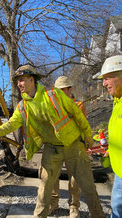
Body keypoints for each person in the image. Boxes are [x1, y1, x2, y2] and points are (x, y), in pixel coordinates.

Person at [0, 64, 105, 218]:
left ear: (32, 80)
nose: (19, 84)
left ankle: (96, 214)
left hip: (73, 145)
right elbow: (10, 125)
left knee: (88, 186)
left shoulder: (53, 94)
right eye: (17, 81)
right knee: (45, 186)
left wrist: (87, 136)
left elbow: (77, 114)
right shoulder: (23, 106)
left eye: (22, 80)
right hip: (52, 148)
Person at [48, 76, 88, 217]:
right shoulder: (52, 106)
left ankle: (74, 206)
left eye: (63, 90)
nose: (59, 93)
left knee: (74, 178)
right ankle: (53, 203)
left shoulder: (78, 105)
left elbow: (83, 127)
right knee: (52, 176)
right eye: (57, 90)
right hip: (56, 146)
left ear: (70, 89)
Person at [98, 55, 122, 218]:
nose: (104, 84)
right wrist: (111, 151)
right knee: (116, 209)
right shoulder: (117, 101)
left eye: (107, 78)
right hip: (119, 170)